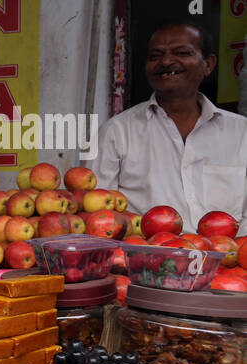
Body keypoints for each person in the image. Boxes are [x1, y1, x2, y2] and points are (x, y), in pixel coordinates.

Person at [95, 21, 247, 226]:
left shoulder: (241, 132)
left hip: (232, 254)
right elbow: (98, 215)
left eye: (182, 53)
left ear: (208, 64)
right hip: (146, 255)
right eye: (155, 56)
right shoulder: (117, 132)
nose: (166, 61)